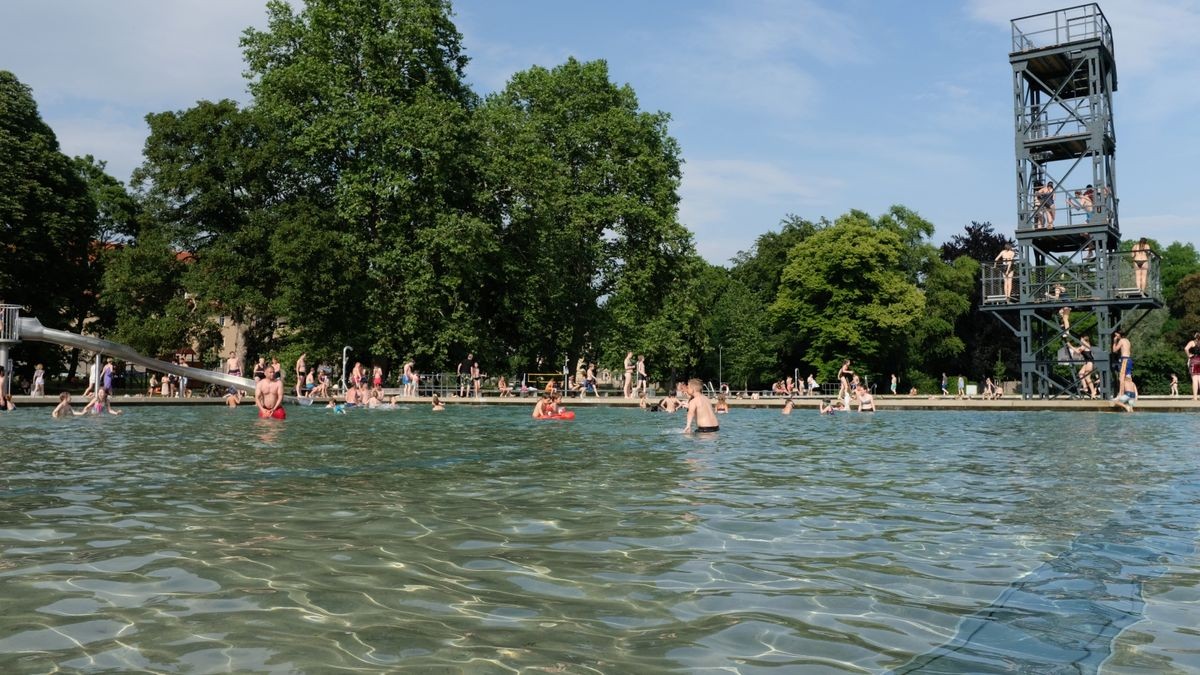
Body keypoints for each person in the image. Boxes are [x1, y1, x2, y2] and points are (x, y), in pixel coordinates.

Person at [1186, 332, 1200, 400]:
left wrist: (1189, 355)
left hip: (1194, 360)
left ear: (1195, 336)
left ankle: (1195, 397)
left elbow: (1186, 348)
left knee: (1194, 380)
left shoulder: (1192, 342)